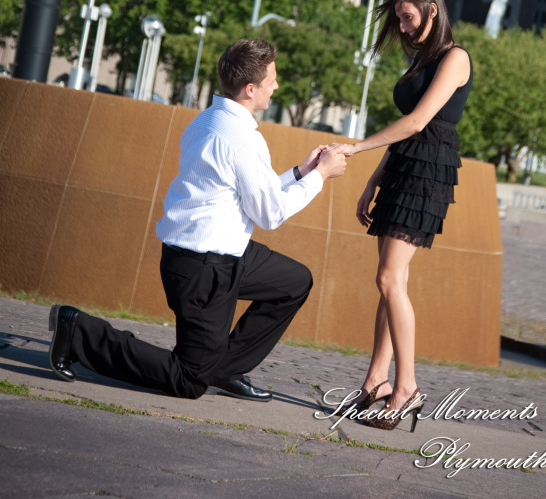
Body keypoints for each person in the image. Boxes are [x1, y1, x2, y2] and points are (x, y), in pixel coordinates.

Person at [48, 38, 350, 401]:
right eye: (272, 79)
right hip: (204, 267)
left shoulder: (209, 121)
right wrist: (322, 176)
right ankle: (79, 332)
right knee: (189, 379)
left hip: (215, 252)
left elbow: (252, 191)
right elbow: (270, 214)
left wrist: (301, 171)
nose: (277, 85)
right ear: (250, 89)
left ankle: (226, 367)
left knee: (293, 281)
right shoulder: (240, 138)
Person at [348, 0, 472, 430]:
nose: (400, 25)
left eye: (407, 16)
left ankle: (408, 389)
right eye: (398, 18)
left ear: (432, 10)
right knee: (388, 281)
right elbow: (405, 130)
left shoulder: (455, 58)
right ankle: (376, 381)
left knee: (388, 278)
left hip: (428, 175)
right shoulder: (423, 58)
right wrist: (372, 182)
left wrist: (355, 148)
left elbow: (419, 121)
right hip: (403, 169)